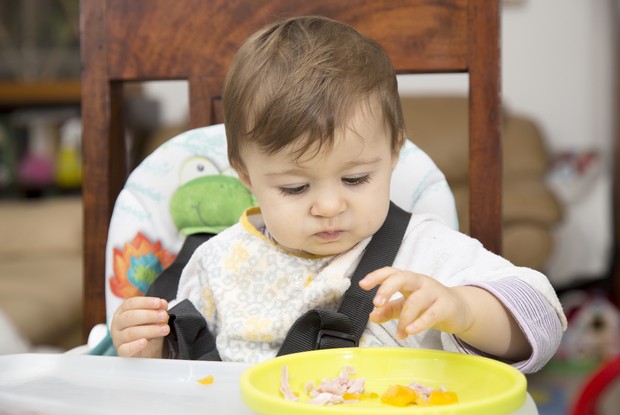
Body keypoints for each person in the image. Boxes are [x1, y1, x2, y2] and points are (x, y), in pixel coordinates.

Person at [110, 15, 566, 373]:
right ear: (245, 175)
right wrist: (152, 350)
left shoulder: (423, 253)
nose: (329, 206)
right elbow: (187, 375)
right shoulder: (216, 262)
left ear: (393, 154)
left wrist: (463, 309)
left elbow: (541, 319)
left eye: (355, 180)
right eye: (294, 187)